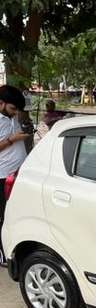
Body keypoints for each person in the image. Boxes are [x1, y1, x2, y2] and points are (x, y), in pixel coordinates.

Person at [0, 85, 31, 265]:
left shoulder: (12, 116)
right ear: (1, 103)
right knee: (3, 215)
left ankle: (14, 248)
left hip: (20, 173)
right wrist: (12, 139)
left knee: (17, 213)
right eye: (12, 109)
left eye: (17, 110)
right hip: (3, 176)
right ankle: (3, 254)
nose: (15, 113)